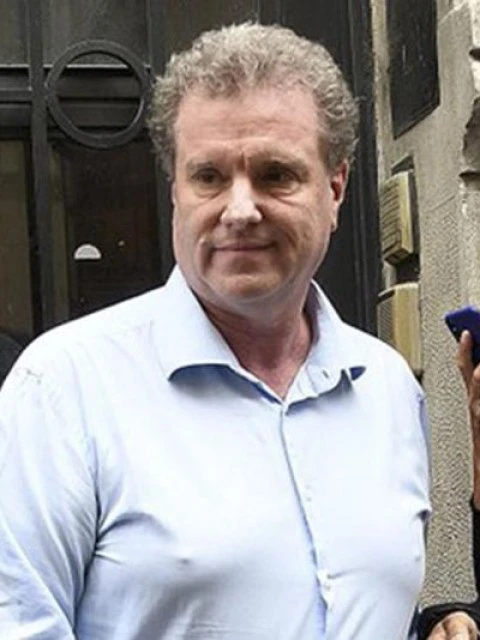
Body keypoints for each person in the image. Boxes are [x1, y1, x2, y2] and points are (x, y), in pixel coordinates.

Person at [0, 22, 477, 639]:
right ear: (175, 190)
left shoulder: (388, 389)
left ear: (335, 188)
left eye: (276, 174)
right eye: (209, 176)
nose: (240, 209)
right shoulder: (63, 391)